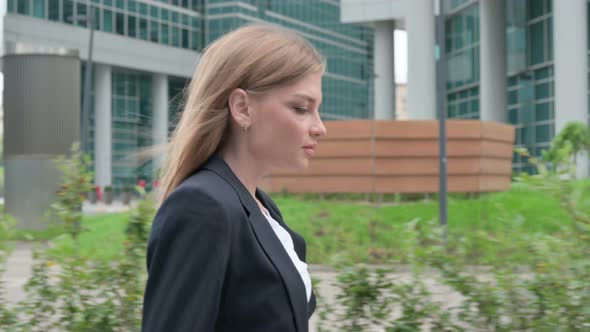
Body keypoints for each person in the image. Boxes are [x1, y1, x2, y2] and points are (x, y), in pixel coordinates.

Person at [141, 24, 327, 332]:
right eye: (301, 108)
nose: (320, 127)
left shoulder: (261, 208)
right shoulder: (201, 207)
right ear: (242, 108)